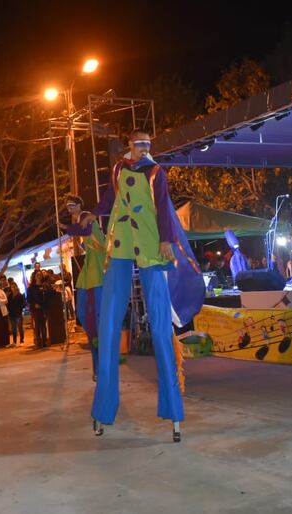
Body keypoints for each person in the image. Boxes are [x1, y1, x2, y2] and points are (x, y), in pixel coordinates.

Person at [80, 129, 204, 439]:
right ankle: (103, 409)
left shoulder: (155, 171)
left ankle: (173, 411)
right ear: (129, 147)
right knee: (108, 325)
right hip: (120, 242)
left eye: (148, 144)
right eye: (139, 144)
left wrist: (165, 239)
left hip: (150, 245)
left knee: (161, 328)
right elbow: (111, 196)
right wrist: (92, 212)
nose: (144, 148)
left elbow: (163, 206)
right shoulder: (119, 168)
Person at [60, 194, 105, 377]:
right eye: (67, 206)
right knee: (83, 314)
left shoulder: (85, 216)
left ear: (79, 205)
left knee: (94, 318)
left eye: (71, 205)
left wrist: (66, 228)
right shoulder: (79, 220)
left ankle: (101, 366)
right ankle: (98, 365)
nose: (69, 208)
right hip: (91, 265)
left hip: (98, 266)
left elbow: (85, 231)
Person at [27, 271, 47, 347]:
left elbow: (48, 296)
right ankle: (38, 342)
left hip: (44, 308)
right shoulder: (31, 288)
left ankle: (44, 341)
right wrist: (34, 304)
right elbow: (28, 299)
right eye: (37, 275)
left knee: (43, 325)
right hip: (36, 309)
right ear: (34, 277)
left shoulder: (45, 285)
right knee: (38, 326)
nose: (39, 276)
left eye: (40, 275)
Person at [6, 282, 26, 347]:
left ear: (16, 287)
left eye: (14, 286)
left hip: (18, 313)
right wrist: (8, 310)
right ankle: (14, 342)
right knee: (14, 329)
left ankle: (21, 341)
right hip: (12, 314)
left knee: (20, 328)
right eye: (11, 287)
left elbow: (24, 304)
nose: (13, 288)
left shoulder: (20, 295)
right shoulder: (10, 296)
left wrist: (20, 309)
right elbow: (7, 304)